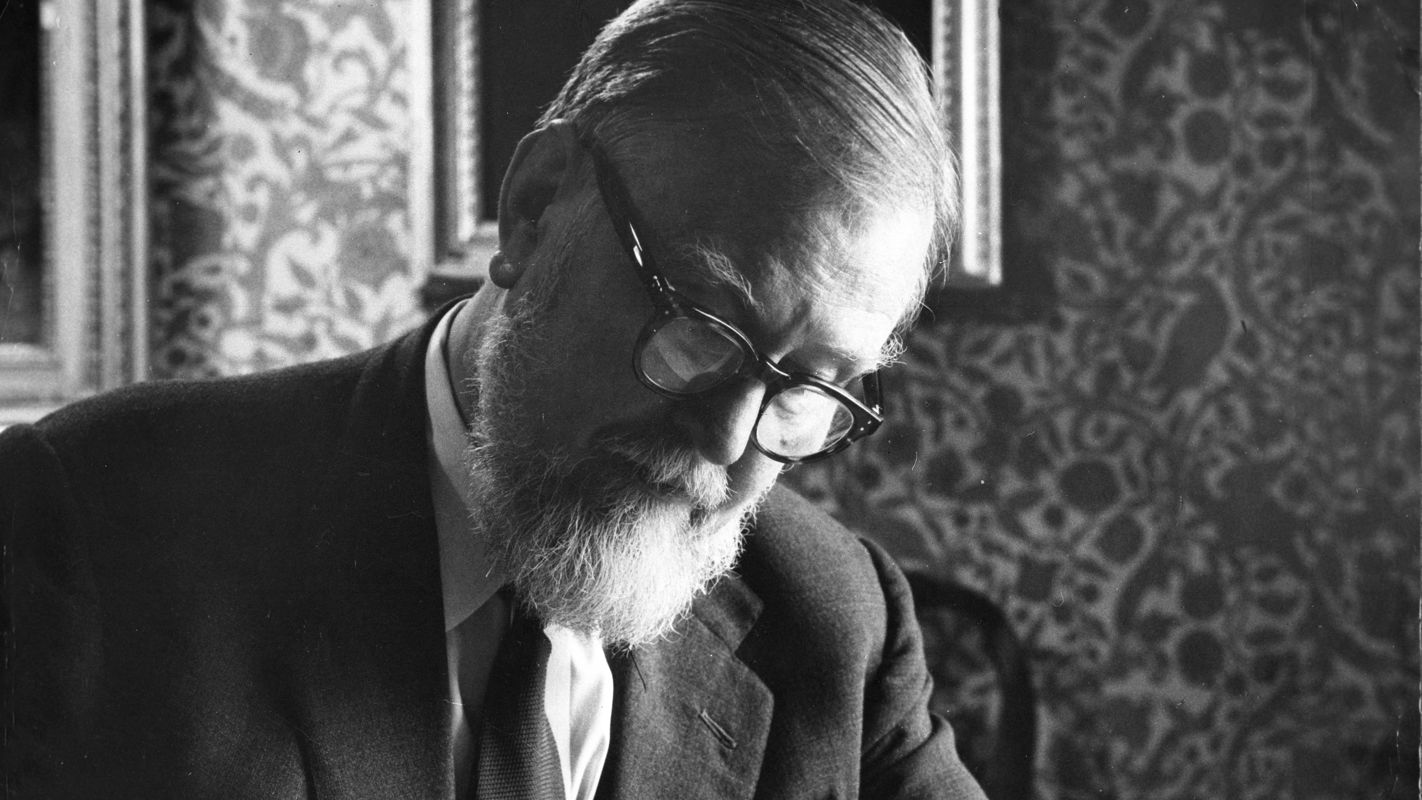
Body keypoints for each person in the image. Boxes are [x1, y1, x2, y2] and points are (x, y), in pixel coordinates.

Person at [1, 0, 985, 797]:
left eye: (807, 385)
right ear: (534, 206)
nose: (731, 437)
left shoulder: (835, 622)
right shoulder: (88, 521)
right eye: (701, 324)